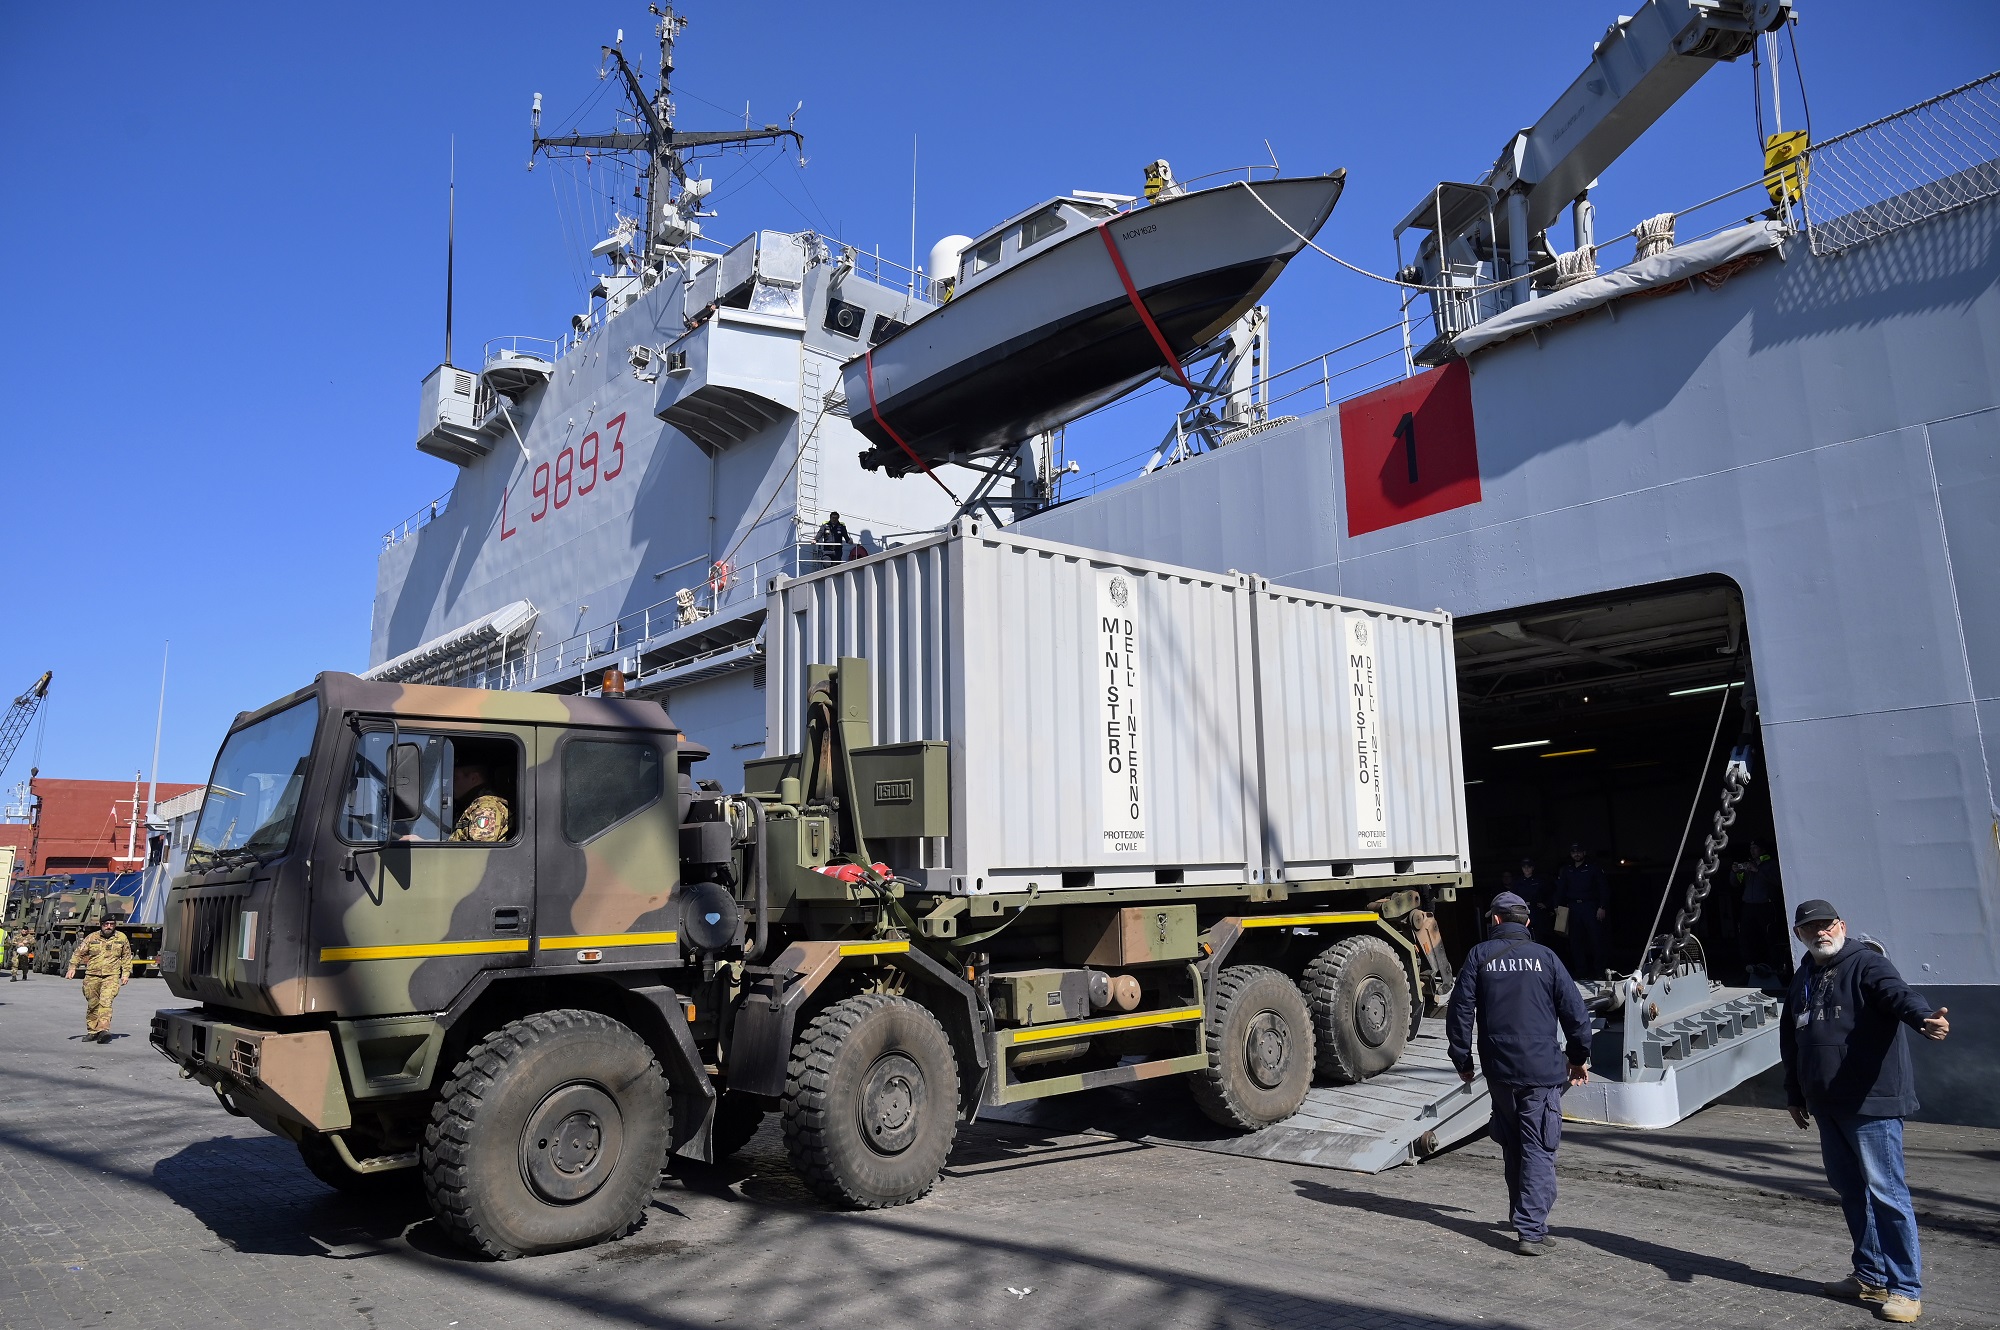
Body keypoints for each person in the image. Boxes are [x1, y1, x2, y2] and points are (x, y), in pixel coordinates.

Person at [1782, 899, 1950, 1325]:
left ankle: (1906, 1290)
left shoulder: (1866, 964)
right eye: (1810, 928)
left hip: (1870, 1102)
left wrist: (1923, 1019)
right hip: (1826, 1104)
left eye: (1826, 924)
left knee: (1887, 1193)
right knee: (1851, 1191)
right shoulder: (1803, 975)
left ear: (1841, 925)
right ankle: (1870, 1274)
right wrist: (1795, 1094)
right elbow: (1791, 1040)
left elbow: (1898, 996)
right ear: (1799, 934)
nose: (1819, 932)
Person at [1448, 891, 1592, 1256]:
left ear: (1495, 920)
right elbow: (1575, 1014)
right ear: (1527, 922)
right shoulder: (1547, 958)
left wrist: (1462, 1060)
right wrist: (1578, 1058)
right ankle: (1530, 1230)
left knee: (1514, 1145)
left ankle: (1523, 1218)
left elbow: (1460, 1013)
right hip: (1541, 1070)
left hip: (1499, 1070)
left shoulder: (1479, 957)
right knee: (1539, 1147)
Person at [65, 916, 133, 1042]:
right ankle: (92, 1031)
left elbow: (126, 956)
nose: (109, 926)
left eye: (111, 924)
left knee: (106, 1003)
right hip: (92, 976)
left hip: (111, 976)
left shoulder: (121, 938)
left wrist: (125, 973)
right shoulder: (92, 937)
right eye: (106, 924)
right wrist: (72, 967)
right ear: (101, 924)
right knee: (93, 1004)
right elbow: (79, 952)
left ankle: (103, 1030)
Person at [1553, 843, 1610, 979]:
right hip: (1573, 908)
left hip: (1590, 907)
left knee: (1596, 940)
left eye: (1578, 852)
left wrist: (1602, 907)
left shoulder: (1593, 868)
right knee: (1575, 942)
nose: (1576, 854)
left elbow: (1603, 888)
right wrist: (1556, 906)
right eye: (1573, 852)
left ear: (1584, 853)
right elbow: (1561, 889)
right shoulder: (1567, 870)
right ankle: (1581, 972)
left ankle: (1599, 972)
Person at [1734, 840, 1786, 978]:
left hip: (1766, 905)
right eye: (1751, 848)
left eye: (1755, 847)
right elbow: (1735, 884)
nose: (1752, 850)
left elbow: (1778, 881)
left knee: (1769, 935)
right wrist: (1736, 872)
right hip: (1749, 906)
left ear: (1763, 850)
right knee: (1747, 936)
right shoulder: (1748, 865)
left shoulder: (1771, 864)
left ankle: (1774, 967)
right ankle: (1750, 967)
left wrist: (1757, 870)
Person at [449, 761, 511, 843]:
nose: (451, 784)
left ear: (473, 779)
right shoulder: (472, 806)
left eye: (455, 778)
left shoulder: (486, 808)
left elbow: (480, 849)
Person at [1516, 857, 1555, 942]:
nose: (1526, 869)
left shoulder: (1540, 881)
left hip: (1537, 912)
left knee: (1540, 937)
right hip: (1523, 912)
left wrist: (1546, 905)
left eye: (1528, 867)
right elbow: (1513, 896)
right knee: (1523, 936)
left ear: (1532, 868)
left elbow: (1550, 893)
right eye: (1524, 867)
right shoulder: (1518, 882)